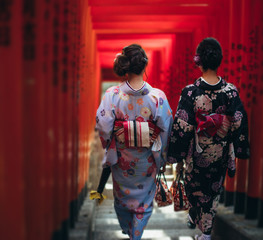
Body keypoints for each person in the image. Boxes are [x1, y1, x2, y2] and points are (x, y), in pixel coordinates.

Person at [167, 37, 250, 240]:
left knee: (194, 187)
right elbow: (238, 119)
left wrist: (175, 154)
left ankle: (203, 228)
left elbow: (183, 125)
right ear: (219, 60)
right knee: (213, 191)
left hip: (196, 152)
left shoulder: (190, 92)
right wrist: (237, 146)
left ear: (199, 61)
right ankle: (204, 228)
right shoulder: (231, 91)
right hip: (220, 151)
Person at [95, 44, 173, 240]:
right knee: (144, 201)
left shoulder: (113, 95)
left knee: (122, 199)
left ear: (125, 66)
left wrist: (109, 144)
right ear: (145, 65)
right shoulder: (157, 97)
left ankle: (129, 231)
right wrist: (161, 155)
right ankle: (135, 234)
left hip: (122, 159)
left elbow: (104, 126)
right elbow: (166, 128)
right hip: (147, 160)